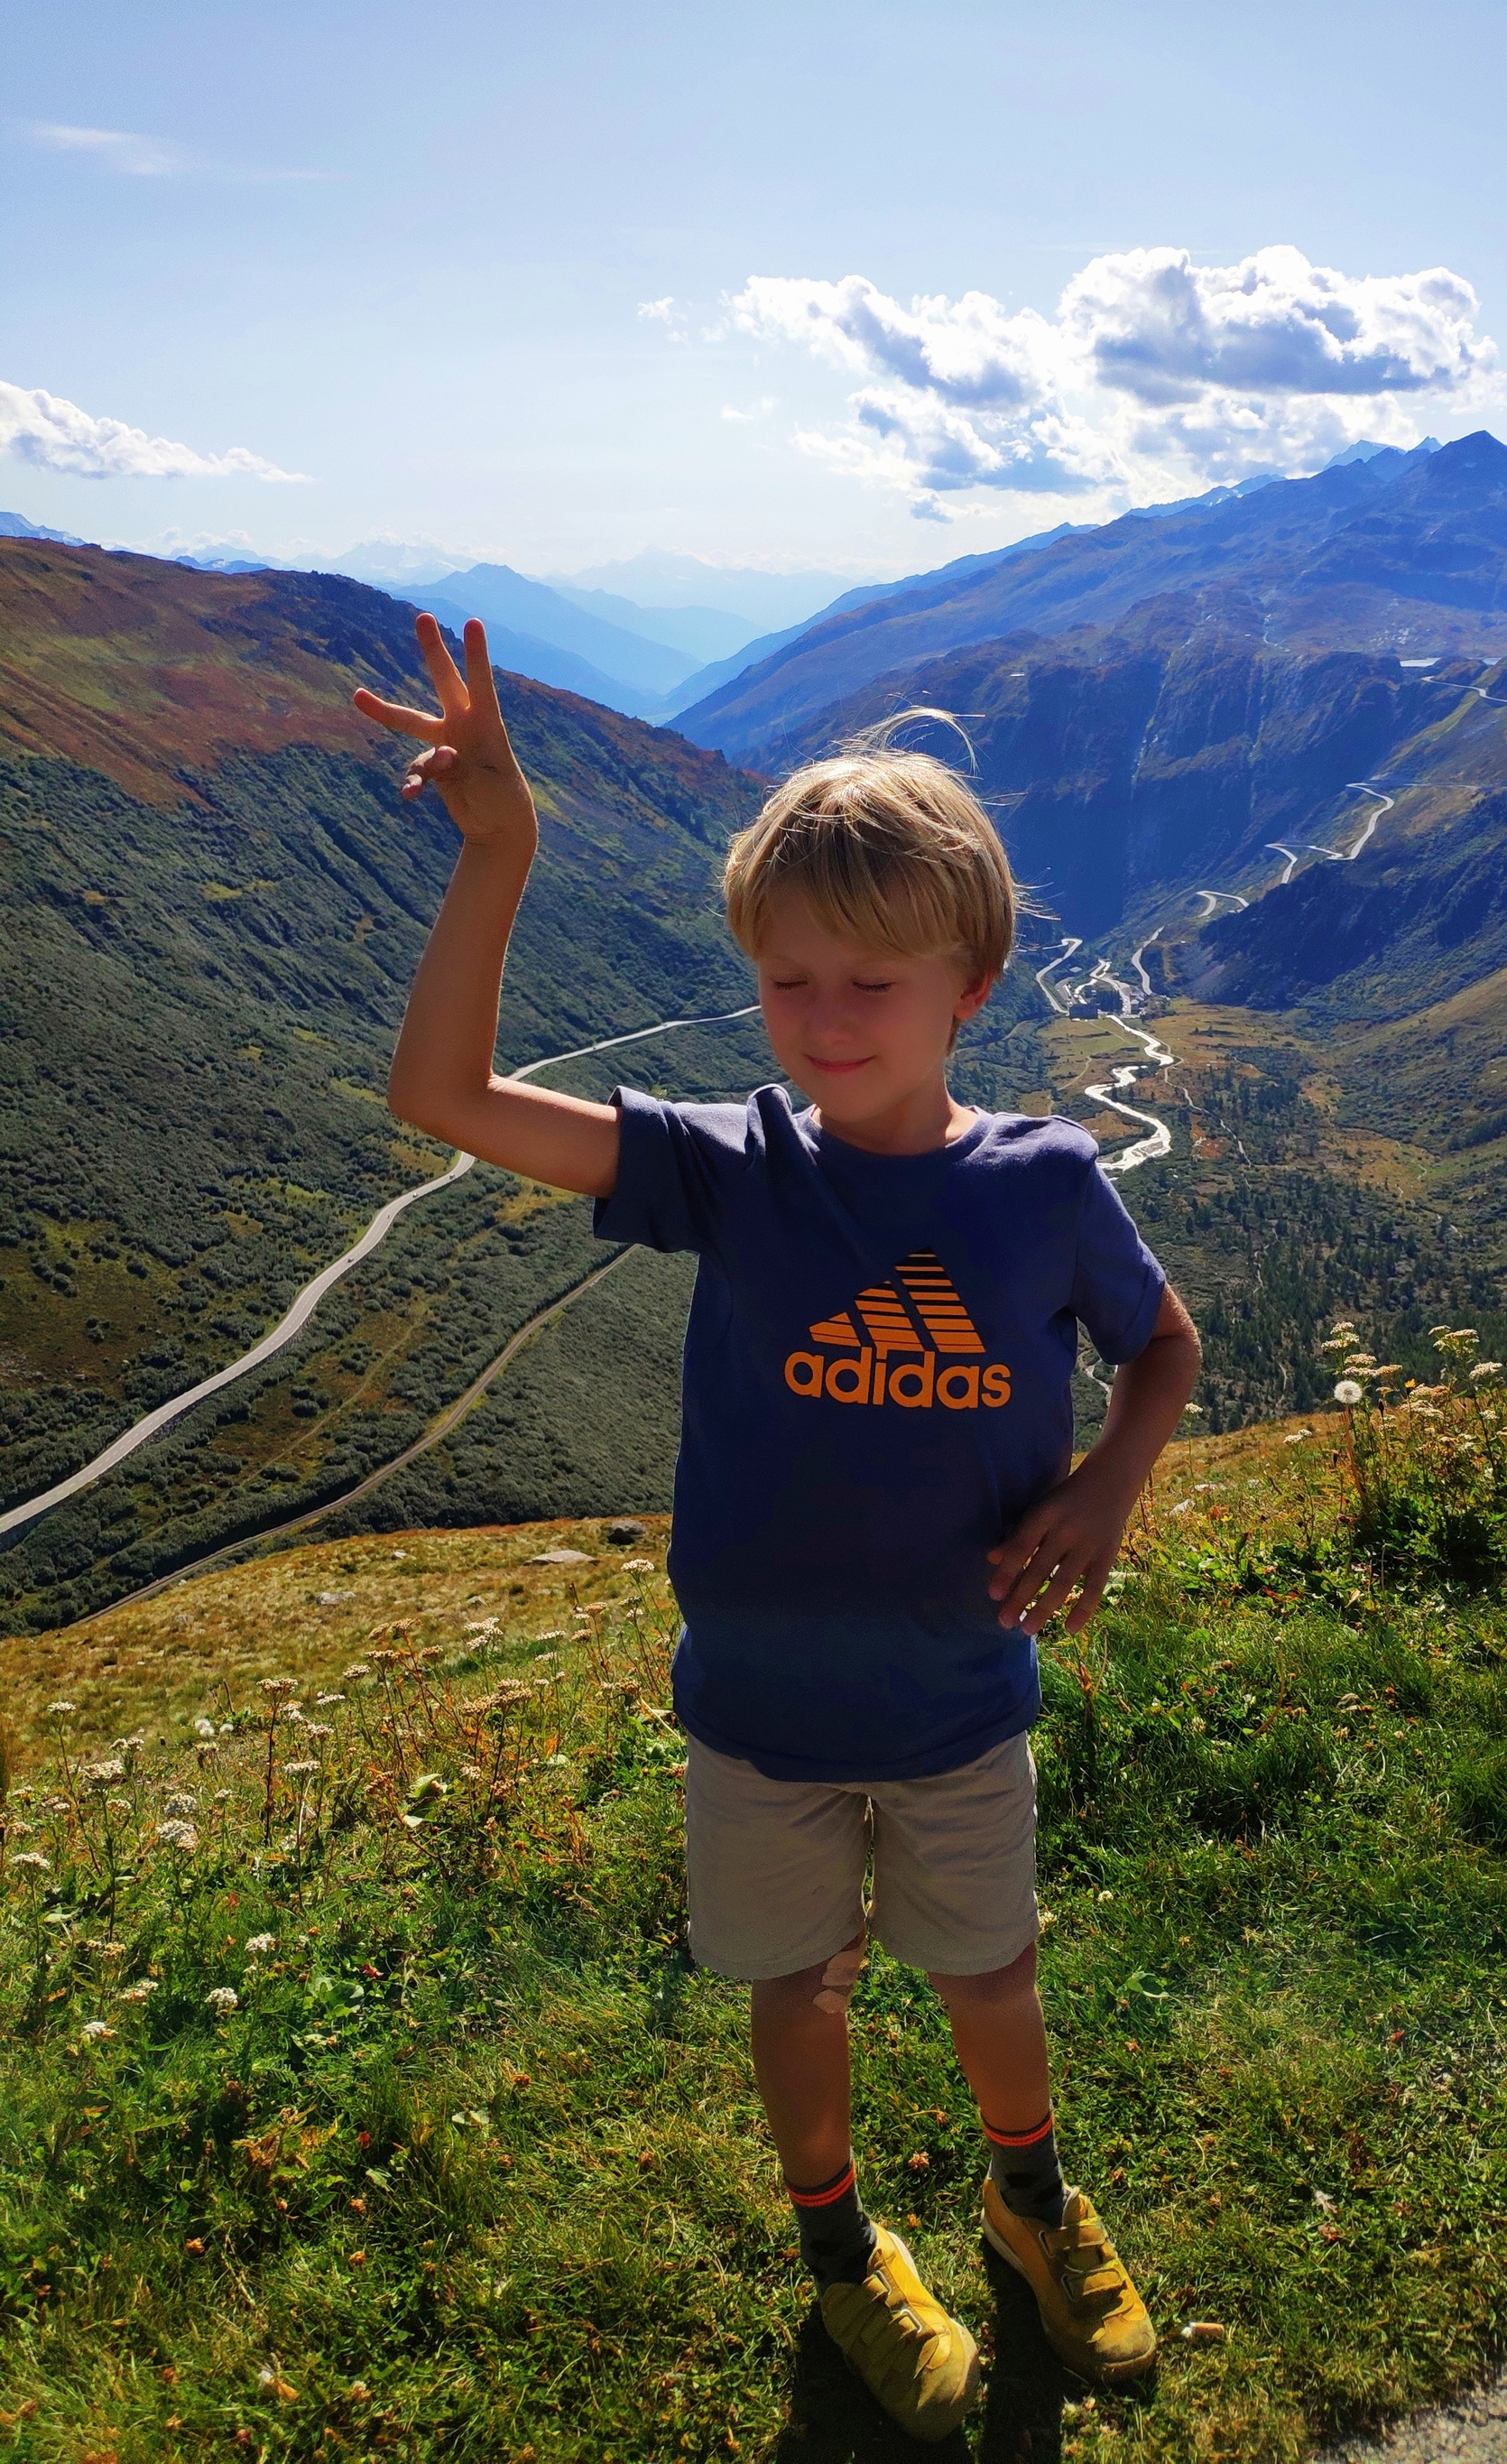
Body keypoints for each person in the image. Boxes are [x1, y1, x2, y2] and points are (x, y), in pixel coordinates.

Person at [359, 615, 1202, 2441]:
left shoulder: (1045, 1185)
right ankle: (841, 2252)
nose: (822, 1023)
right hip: (756, 1716)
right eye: (790, 982)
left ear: (968, 983)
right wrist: (501, 856)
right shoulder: (732, 1168)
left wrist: (1106, 1482)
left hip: (959, 1697)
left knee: (993, 1972)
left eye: (870, 988)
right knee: (798, 1990)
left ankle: (1029, 2199)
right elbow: (441, 1102)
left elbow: (1163, 1347)